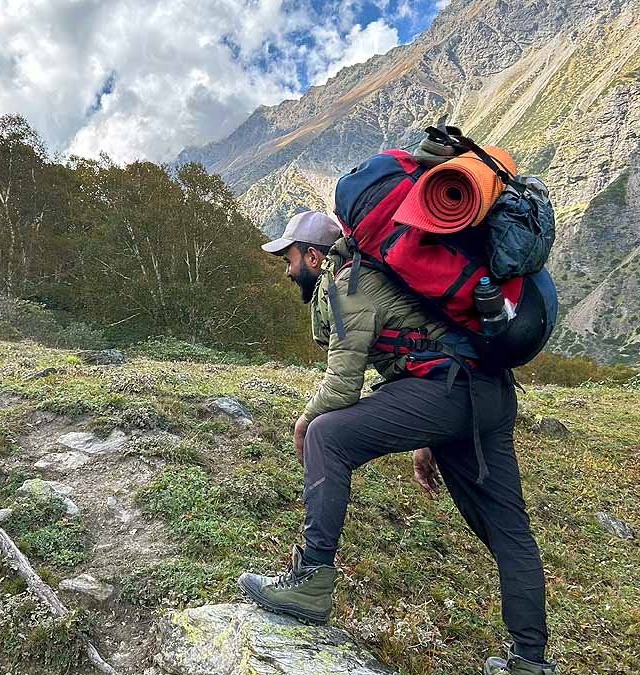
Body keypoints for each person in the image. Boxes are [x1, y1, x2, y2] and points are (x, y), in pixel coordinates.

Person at [237, 210, 556, 675]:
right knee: (509, 531)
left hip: (447, 392)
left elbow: (342, 385)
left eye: (289, 259)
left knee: (327, 433)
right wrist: (428, 438)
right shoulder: (378, 272)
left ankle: (310, 580)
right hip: (488, 391)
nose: (288, 270)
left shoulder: (349, 285)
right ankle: (529, 661)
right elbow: (429, 340)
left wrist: (304, 421)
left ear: (313, 256)